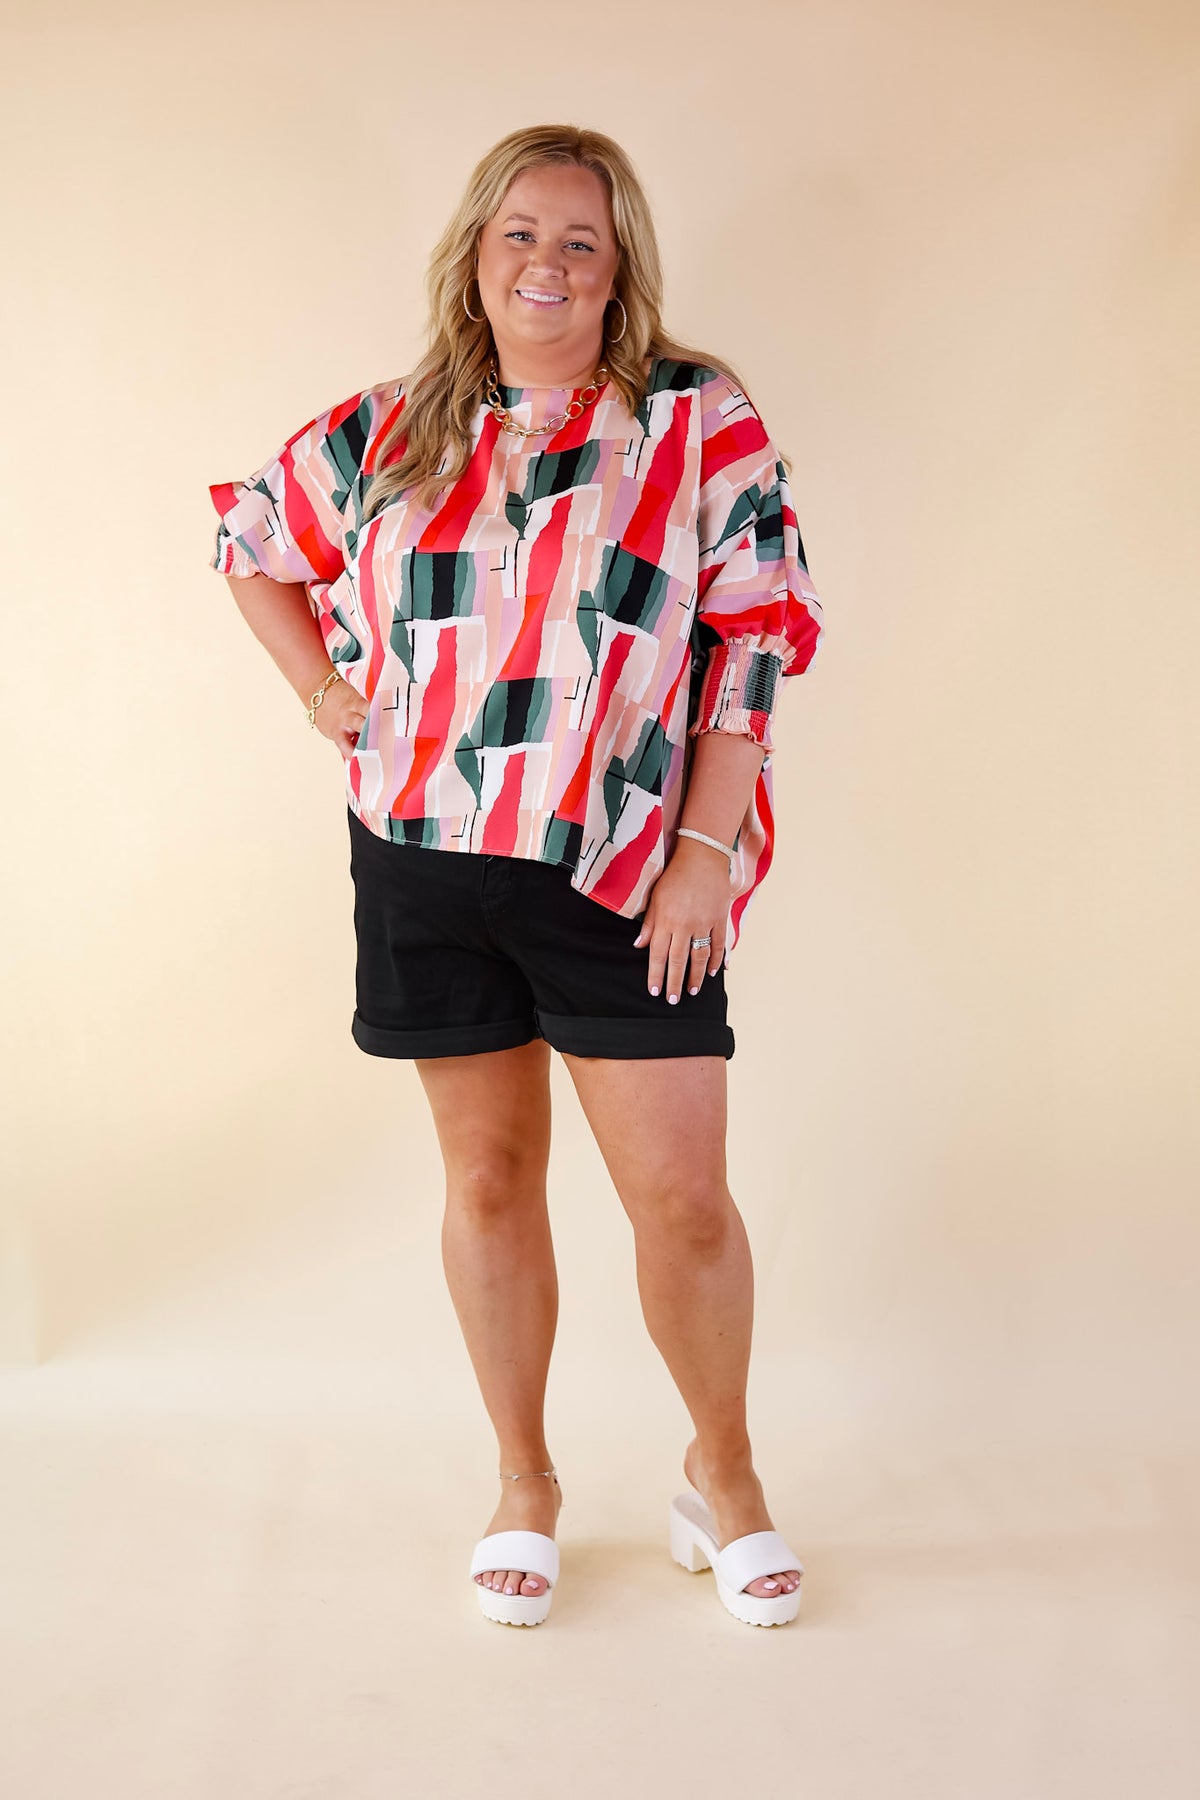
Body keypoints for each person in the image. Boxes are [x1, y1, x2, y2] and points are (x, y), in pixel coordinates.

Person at [207, 123, 824, 1629]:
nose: (547, 264)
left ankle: (724, 1476)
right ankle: (525, 1480)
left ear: (618, 273)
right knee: (487, 1180)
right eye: (520, 236)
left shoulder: (695, 420)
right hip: (423, 858)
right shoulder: (387, 429)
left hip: (623, 871)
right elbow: (250, 538)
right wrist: (322, 693)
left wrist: (702, 851)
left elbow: (755, 633)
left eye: (580, 242)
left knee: (683, 1201)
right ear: (475, 258)